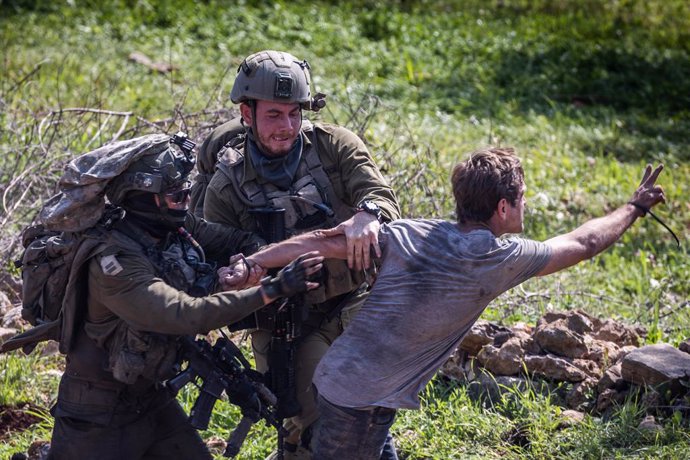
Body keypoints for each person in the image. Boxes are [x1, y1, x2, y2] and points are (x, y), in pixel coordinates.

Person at [232, 147, 667, 460]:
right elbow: (584, 241)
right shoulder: (497, 259)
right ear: (502, 207)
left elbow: (323, 241)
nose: (526, 204)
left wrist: (252, 262)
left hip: (348, 384)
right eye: (522, 197)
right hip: (359, 403)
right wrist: (634, 207)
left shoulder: (412, 231)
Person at [43, 133, 323, 460]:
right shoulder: (113, 264)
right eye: (177, 195)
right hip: (96, 414)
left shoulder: (172, 227)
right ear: (143, 198)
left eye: (187, 192)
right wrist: (273, 289)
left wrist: (249, 264)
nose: (186, 202)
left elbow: (240, 239)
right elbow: (185, 314)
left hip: (150, 398)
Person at [201, 50, 401, 458]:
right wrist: (240, 273)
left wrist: (369, 214)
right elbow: (217, 261)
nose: (287, 127)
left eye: (295, 114)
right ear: (247, 113)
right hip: (285, 322)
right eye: (274, 115)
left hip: (355, 299)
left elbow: (381, 196)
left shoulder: (333, 147)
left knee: (362, 408)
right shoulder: (226, 186)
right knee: (311, 423)